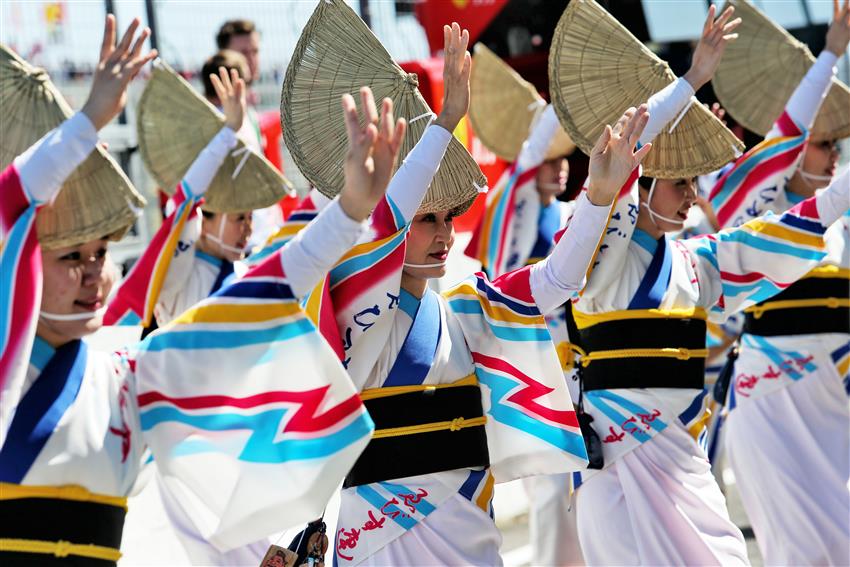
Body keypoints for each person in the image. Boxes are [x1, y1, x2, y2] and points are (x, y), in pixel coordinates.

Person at [0, 15, 407, 564]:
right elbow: (12, 204)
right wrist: (91, 120)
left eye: (99, 254)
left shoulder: (127, 372)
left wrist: (351, 211)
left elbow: (259, 294)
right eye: (71, 257)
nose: (94, 271)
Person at [317, 23, 655, 566]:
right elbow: (386, 220)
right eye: (428, 220)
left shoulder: (468, 302)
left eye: (450, 217)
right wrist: (446, 120)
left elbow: (556, 282)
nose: (445, 232)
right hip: (378, 542)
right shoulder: (352, 309)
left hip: (469, 532)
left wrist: (597, 196)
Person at [556, 4, 849, 565]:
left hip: (686, 475)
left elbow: (794, 224)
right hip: (614, 483)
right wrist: (689, 81)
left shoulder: (698, 265)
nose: (695, 194)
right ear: (640, 188)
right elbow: (619, 160)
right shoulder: (598, 262)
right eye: (682, 183)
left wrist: (840, 193)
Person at [707, 2, 850, 563]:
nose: (834, 156)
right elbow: (788, 133)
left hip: (835, 405)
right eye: (824, 144)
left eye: (839, 146)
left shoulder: (841, 224)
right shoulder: (752, 217)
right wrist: (833, 52)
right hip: (770, 403)